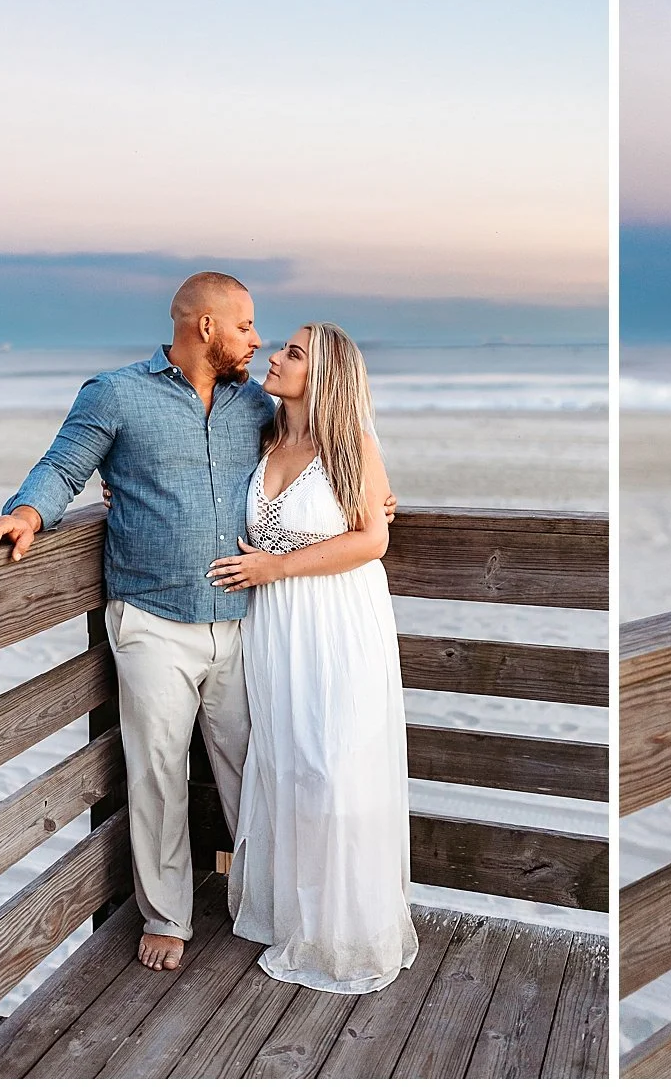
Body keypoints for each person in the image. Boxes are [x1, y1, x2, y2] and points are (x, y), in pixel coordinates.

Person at [0, 272, 272, 973]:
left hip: (245, 621)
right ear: (205, 328)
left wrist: (371, 497)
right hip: (152, 620)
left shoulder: (255, 404)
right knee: (157, 772)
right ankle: (167, 915)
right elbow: (63, 467)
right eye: (246, 325)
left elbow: (310, 456)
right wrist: (27, 514)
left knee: (254, 771)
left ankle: (265, 900)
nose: (257, 339)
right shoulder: (116, 394)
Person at [206, 321, 418, 993]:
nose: (275, 356)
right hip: (274, 627)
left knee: (335, 768)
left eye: (293, 353)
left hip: (337, 622)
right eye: (281, 348)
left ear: (323, 374)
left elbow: (370, 540)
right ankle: (299, 917)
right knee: (289, 764)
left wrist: (278, 567)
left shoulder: (350, 443)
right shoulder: (263, 439)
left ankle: (349, 934)